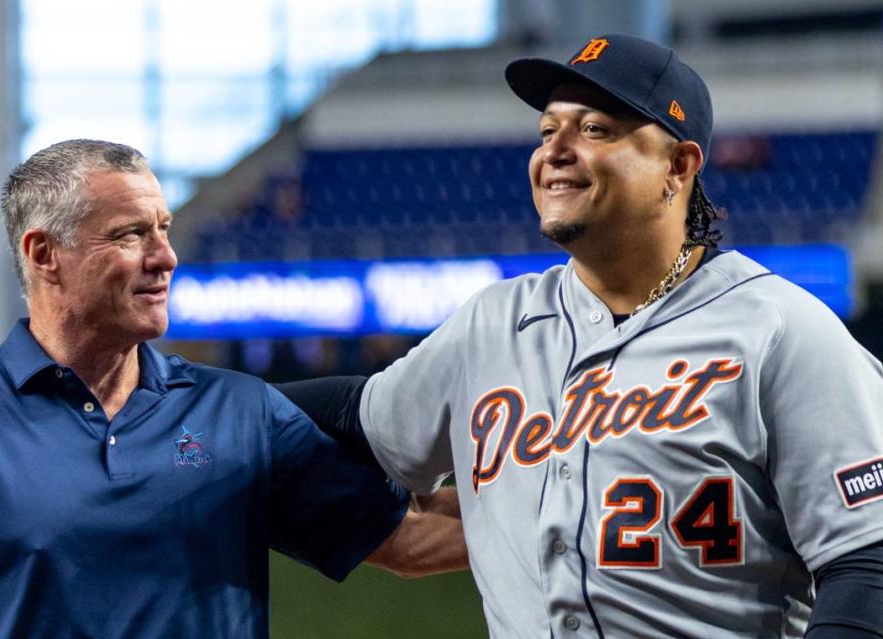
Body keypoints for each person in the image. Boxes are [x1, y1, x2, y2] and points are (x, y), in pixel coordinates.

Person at [277, 34, 883, 637]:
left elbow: (866, 563)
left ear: (678, 166)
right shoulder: (494, 323)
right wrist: (191, 400)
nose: (556, 150)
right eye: (547, 131)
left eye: (595, 129)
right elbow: (360, 415)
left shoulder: (778, 329)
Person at [0, 139, 467, 638]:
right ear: (44, 254)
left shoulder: (241, 411)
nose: (166, 257)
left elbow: (412, 538)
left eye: (163, 228)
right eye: (131, 234)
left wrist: (549, 500)